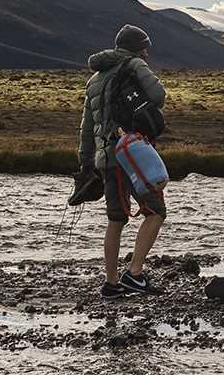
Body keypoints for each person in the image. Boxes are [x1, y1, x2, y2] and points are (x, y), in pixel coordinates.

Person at [79, 24, 167, 300]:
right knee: (156, 211)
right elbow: (158, 97)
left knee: (116, 218)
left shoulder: (94, 80)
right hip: (131, 154)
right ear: (134, 48)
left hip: (105, 159)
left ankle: (112, 284)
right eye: (144, 47)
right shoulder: (134, 64)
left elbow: (86, 127)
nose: (146, 53)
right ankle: (135, 273)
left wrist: (85, 162)